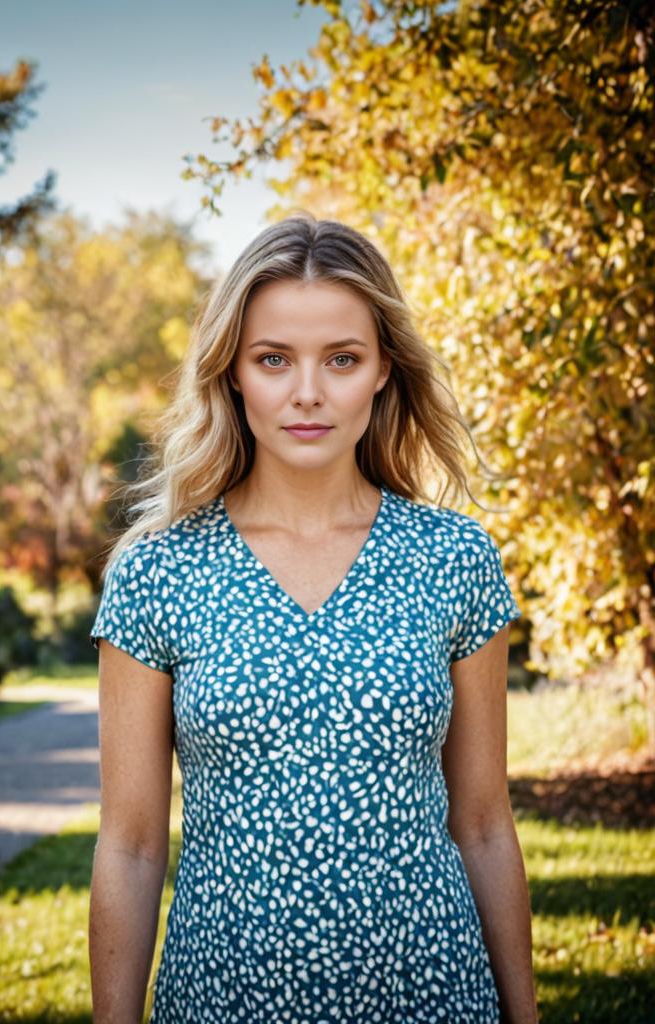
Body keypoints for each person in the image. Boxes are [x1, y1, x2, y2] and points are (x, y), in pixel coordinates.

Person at [87, 212, 539, 1024]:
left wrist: (525, 1015)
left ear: (382, 371)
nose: (306, 392)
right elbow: (130, 846)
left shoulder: (453, 557)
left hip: (432, 996)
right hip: (221, 1000)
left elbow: (482, 823)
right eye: (273, 359)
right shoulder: (158, 571)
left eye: (340, 358)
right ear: (231, 372)